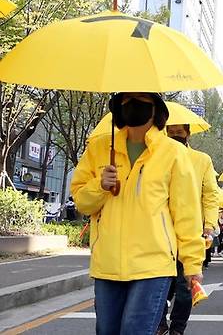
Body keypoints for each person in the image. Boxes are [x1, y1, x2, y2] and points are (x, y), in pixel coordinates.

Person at [71, 92, 204, 335]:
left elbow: (187, 213)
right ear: (118, 107)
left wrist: (192, 263)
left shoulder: (173, 153)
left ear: (156, 109)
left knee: (136, 330)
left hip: (153, 265)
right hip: (107, 263)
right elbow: (81, 201)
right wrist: (98, 186)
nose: (133, 105)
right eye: (126, 100)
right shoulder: (99, 148)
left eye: (141, 100)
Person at [156, 123, 223, 334]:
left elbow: (210, 196)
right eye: (171, 132)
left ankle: (177, 329)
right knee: (157, 286)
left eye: (179, 132)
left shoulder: (202, 160)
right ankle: (160, 324)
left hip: (190, 234)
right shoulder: (154, 157)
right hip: (159, 234)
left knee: (186, 289)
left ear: (188, 133)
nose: (175, 135)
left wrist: (209, 226)